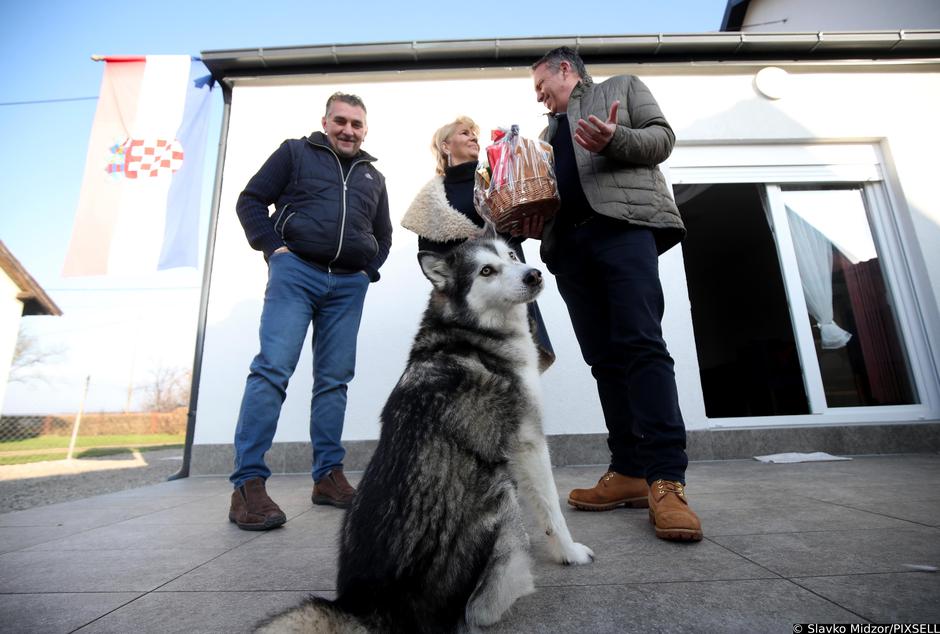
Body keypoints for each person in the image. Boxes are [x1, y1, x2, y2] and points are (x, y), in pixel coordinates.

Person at [530, 47, 702, 541]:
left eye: (541, 85)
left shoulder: (621, 88)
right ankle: (627, 470)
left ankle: (666, 480)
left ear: (565, 69)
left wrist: (614, 137)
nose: (539, 96)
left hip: (622, 231)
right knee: (604, 361)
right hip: (570, 249)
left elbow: (662, 139)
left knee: (642, 347)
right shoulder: (545, 136)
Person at [227, 92, 392, 531]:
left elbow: (384, 236)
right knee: (272, 370)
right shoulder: (294, 152)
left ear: (365, 130)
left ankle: (328, 477)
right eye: (341, 121)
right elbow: (250, 201)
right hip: (296, 273)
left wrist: (367, 272)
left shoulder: (373, 176)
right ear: (325, 122)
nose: (348, 130)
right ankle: (247, 485)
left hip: (348, 285)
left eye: (356, 124)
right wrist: (274, 249)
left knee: (334, 381)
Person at [400, 116, 555, 371]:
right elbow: (432, 257)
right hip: (474, 302)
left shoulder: (496, 177)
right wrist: (466, 250)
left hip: (513, 284)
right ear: (445, 146)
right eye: (464, 133)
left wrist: (523, 226)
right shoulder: (432, 199)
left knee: (522, 370)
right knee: (480, 376)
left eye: (474, 133)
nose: (473, 137)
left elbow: (515, 231)